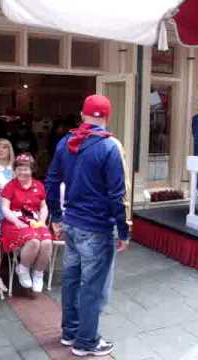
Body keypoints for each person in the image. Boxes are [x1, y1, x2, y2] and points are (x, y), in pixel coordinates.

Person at [46, 94, 129, 357]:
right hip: (96, 227)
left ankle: (70, 332)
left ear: (83, 115)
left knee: (71, 281)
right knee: (93, 287)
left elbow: (51, 181)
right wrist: (123, 231)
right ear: (106, 117)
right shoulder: (110, 147)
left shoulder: (65, 142)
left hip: (71, 223)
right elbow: (118, 195)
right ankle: (86, 341)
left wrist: (56, 217)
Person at [0, 153, 53, 293]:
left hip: (34, 220)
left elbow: (43, 207)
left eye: (26, 168)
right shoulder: (10, 186)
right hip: (14, 222)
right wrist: (16, 221)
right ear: (15, 170)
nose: (22, 172)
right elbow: (5, 208)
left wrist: (42, 221)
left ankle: (38, 273)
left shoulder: (39, 185)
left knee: (47, 242)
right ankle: (23, 268)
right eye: (19, 168)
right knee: (34, 241)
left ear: (32, 169)